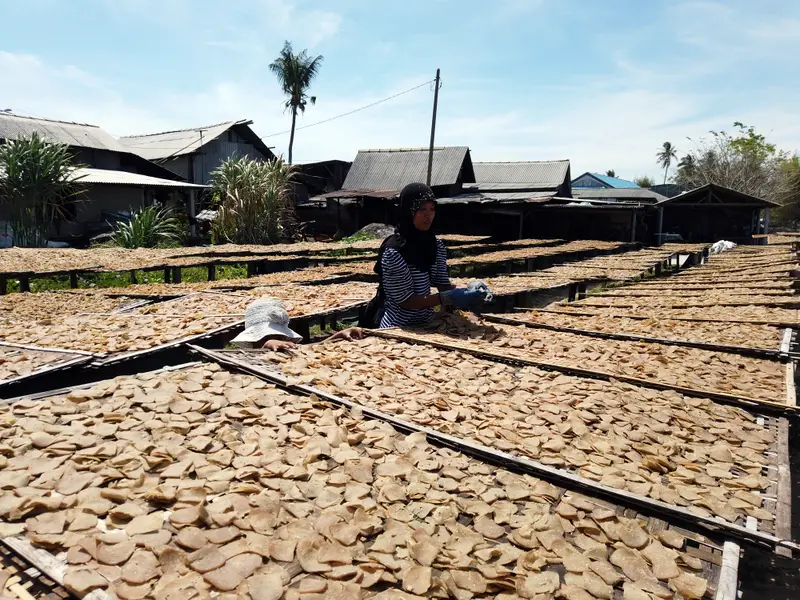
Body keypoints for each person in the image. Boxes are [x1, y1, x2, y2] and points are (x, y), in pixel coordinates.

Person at [369, 182, 491, 329]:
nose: (428, 216)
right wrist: (446, 298)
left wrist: (470, 292)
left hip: (428, 321)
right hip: (398, 326)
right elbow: (406, 300)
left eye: (432, 209)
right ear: (409, 212)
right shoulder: (394, 252)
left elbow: (441, 282)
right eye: (422, 210)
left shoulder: (436, 246)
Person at [231, 297, 364, 352]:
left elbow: (310, 347)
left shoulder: (288, 349)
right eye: (265, 337)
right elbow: (266, 348)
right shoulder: (245, 361)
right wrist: (268, 344)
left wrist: (338, 335)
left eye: (279, 336)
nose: (278, 341)